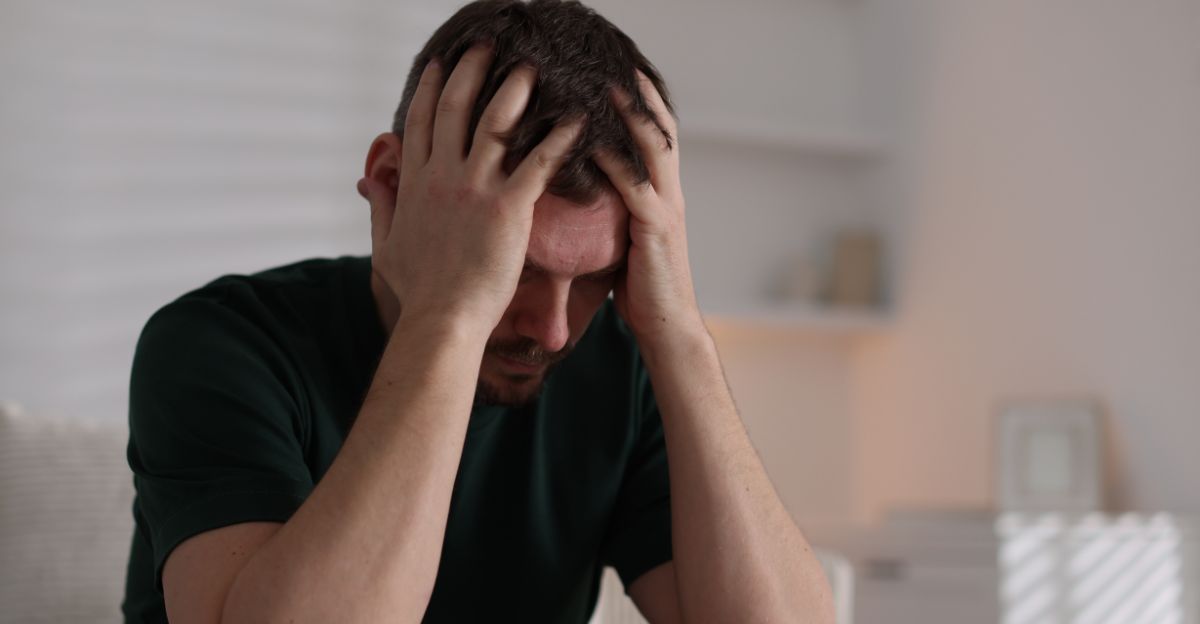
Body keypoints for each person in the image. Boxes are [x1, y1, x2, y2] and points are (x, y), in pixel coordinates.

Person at [121, 1, 835, 622]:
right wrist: (449, 317)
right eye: (514, 268)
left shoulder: (622, 368)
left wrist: (680, 336)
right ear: (392, 183)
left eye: (597, 277)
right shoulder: (219, 344)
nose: (553, 330)